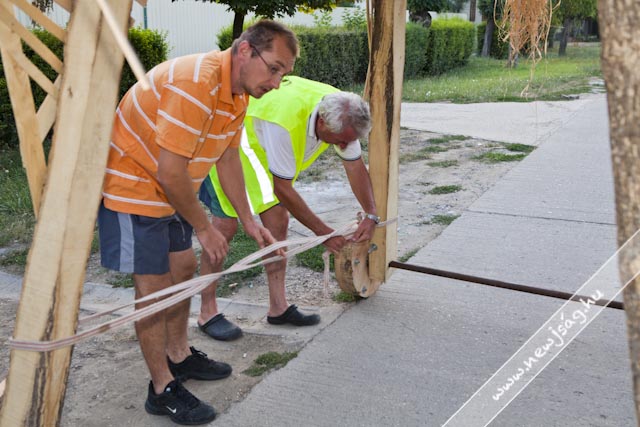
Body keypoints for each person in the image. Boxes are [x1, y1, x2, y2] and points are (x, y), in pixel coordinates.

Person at [97, 20, 297, 425]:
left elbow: (228, 157)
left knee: (184, 269)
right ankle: (161, 389)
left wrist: (248, 219)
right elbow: (170, 171)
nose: (276, 83)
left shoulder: (237, 93)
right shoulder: (196, 84)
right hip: (134, 189)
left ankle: (179, 355)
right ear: (245, 51)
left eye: (283, 74)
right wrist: (204, 228)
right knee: (153, 290)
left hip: (171, 189)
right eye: (274, 68)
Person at [197, 75, 379, 341]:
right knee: (225, 227)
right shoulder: (283, 123)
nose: (343, 146)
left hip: (262, 147)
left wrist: (371, 214)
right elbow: (282, 189)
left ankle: (278, 308)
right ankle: (207, 312)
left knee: (278, 220)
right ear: (322, 122)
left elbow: (355, 167)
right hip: (229, 146)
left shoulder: (345, 114)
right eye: (340, 141)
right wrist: (324, 233)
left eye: (347, 142)